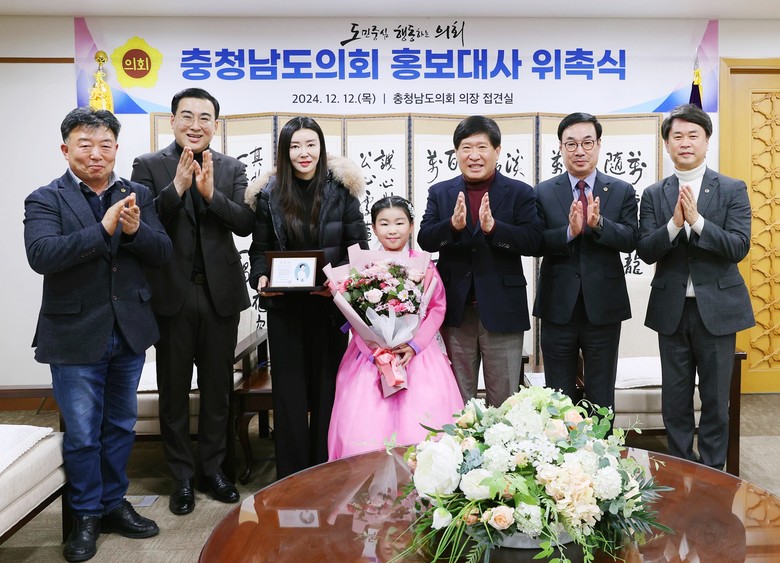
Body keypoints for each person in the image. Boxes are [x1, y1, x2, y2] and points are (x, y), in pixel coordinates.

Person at [24, 107, 171, 562]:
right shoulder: (45, 199)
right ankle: (85, 513)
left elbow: (162, 252)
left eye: (105, 144)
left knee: (120, 426)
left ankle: (112, 503)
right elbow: (42, 255)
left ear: (116, 149)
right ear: (65, 149)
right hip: (74, 333)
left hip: (128, 330)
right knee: (83, 433)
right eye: (85, 144)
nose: (96, 153)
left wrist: (135, 231)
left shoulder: (137, 194)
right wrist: (102, 228)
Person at [131, 88, 254, 515]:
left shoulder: (233, 168)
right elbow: (142, 224)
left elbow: (245, 223)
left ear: (215, 125)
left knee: (218, 390)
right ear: (172, 121)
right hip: (172, 295)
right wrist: (178, 188)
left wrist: (210, 195)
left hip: (220, 295)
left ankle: (213, 470)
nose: (195, 125)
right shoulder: (148, 165)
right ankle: (181, 477)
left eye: (204, 118)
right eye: (187, 116)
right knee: (174, 390)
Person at [245, 116, 368, 478]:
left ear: (321, 148)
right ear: (284, 152)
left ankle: (325, 473)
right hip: (285, 309)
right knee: (289, 396)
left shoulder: (341, 191)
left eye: (311, 144)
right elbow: (259, 250)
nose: (304, 153)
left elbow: (357, 247)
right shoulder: (269, 195)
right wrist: (261, 276)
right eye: (295, 145)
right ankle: (292, 477)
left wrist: (340, 281)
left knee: (328, 392)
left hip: (329, 308)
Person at [636, 103, 754, 470]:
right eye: (677, 136)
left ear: (706, 141)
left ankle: (714, 473)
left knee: (716, 400)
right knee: (675, 399)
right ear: (667, 144)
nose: (685, 143)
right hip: (671, 310)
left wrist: (698, 221)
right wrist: (674, 225)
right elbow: (646, 251)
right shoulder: (654, 194)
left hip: (717, 311)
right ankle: (680, 468)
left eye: (693, 135)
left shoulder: (732, 188)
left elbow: (738, 247)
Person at [417, 115, 542, 406]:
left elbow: (534, 241)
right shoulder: (440, 192)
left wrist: (494, 229)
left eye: (482, 147)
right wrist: (452, 227)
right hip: (455, 312)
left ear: (497, 151)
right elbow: (425, 239)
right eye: (466, 147)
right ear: (456, 152)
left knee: (505, 401)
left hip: (503, 310)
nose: (474, 155)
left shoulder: (520, 192)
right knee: (457, 401)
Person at [327, 196, 464, 459]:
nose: (392, 230)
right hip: (370, 355)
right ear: (373, 228)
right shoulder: (363, 266)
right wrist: (374, 349)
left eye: (400, 223)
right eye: (384, 223)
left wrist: (414, 345)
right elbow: (354, 313)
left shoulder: (424, 263)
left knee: (425, 419)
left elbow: (437, 307)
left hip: (416, 354)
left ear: (411, 226)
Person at [533, 112, 638, 414]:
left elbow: (632, 239)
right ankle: (559, 447)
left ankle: (601, 446)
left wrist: (599, 224)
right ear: (561, 147)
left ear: (599, 144)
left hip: (603, 309)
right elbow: (534, 242)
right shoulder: (543, 191)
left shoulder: (621, 190)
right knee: (558, 398)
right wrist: (569, 231)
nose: (579, 150)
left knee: (601, 395)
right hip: (557, 308)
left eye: (587, 143)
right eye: (571, 144)